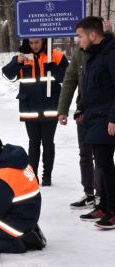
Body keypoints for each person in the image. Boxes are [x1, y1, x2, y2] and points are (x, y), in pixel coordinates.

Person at [2, 38, 69, 186]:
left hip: (50, 106)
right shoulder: (23, 56)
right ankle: (33, 176)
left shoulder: (55, 55)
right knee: (33, 143)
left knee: (47, 142)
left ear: (44, 41)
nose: (34, 46)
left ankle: (47, 176)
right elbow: (7, 74)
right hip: (30, 108)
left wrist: (54, 68)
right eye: (31, 43)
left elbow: (69, 77)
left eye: (37, 42)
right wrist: (16, 63)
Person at [75, 16, 115, 229]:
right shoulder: (92, 56)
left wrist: (113, 117)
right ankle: (104, 206)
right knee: (101, 165)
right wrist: (81, 106)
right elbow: (90, 88)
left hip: (106, 118)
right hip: (94, 117)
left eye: (80, 36)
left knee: (106, 167)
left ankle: (113, 210)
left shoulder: (110, 55)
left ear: (93, 35)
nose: (77, 40)